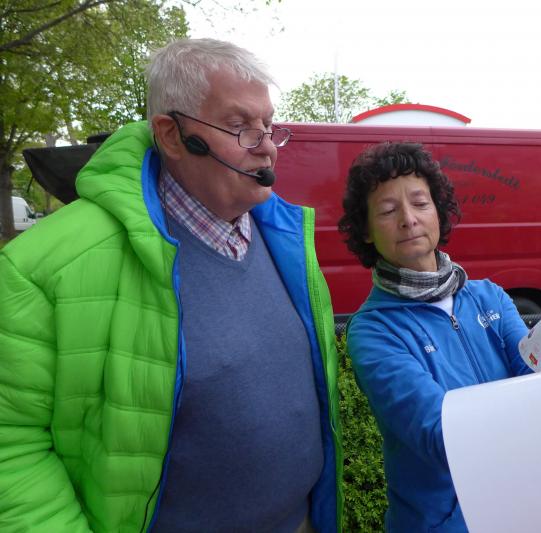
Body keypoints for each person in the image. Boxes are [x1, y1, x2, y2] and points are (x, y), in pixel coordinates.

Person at [0, 39, 341, 532]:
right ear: (172, 135)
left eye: (268, 126)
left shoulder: (286, 236)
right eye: (240, 126)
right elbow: (11, 446)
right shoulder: (42, 265)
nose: (266, 145)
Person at [338, 142, 541, 532]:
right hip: (447, 523)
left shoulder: (488, 296)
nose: (408, 220)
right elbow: (441, 435)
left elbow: (536, 369)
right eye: (387, 210)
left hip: (525, 500)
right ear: (366, 230)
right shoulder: (373, 330)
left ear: (438, 211)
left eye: (420, 203)